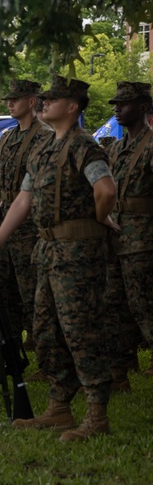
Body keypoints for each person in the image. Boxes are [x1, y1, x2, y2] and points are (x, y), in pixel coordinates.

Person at [0, 76, 115, 443]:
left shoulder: (84, 146)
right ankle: (58, 406)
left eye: (52, 100)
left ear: (72, 107)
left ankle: (96, 414)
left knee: (81, 331)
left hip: (78, 252)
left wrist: (98, 220)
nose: (44, 104)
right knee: (46, 330)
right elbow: (22, 199)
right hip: (48, 251)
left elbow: (106, 190)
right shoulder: (43, 149)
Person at [0, 79, 52, 353]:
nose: (9, 104)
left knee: (33, 292)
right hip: (5, 219)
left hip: (31, 225)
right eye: (8, 99)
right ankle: (11, 349)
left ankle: (43, 353)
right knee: (5, 290)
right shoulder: (7, 137)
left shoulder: (46, 136)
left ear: (31, 101)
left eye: (15, 99)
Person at [104, 81, 153, 389]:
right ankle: (120, 368)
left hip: (144, 238)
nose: (117, 109)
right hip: (118, 235)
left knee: (144, 304)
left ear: (144, 108)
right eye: (116, 104)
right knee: (114, 304)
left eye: (124, 104)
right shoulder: (118, 147)